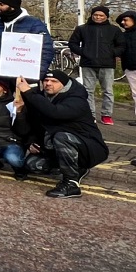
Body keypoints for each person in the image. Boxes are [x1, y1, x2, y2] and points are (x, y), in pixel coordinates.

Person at [17, 70, 110, 198]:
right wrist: (31, 142)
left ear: (64, 85)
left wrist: (29, 93)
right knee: (33, 165)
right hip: (55, 149)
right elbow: (34, 124)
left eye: (54, 81)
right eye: (46, 80)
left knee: (62, 136)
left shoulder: (77, 100)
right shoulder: (42, 97)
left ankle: (71, 184)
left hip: (88, 148)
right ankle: (77, 168)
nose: (48, 83)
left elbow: (55, 113)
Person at [0, 0, 54, 86]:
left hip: (26, 78)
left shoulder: (33, 23)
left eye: (1, 4)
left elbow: (46, 50)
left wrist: (37, 74)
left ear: (12, 7)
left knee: (25, 101)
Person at [68, 6, 125, 125]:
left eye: (101, 15)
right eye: (96, 15)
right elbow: (72, 43)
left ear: (106, 17)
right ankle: (90, 114)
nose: (98, 17)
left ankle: (106, 115)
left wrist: (112, 53)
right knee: (88, 90)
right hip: (88, 64)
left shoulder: (114, 30)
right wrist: (83, 52)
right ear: (92, 15)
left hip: (107, 64)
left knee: (108, 91)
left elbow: (121, 46)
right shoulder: (82, 29)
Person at [118, 11, 136, 126]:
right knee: (135, 93)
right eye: (122, 20)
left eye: (126, 20)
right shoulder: (122, 36)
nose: (123, 22)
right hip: (129, 67)